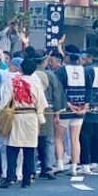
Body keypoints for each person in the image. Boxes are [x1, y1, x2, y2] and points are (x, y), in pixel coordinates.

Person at [0, 58, 47, 188]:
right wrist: (41, 118)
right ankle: (26, 180)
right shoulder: (36, 83)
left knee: (12, 148)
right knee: (29, 149)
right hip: (31, 116)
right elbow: (41, 103)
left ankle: (10, 177)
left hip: (15, 115)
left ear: (20, 68)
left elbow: (4, 101)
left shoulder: (12, 81)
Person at [56, 45, 89, 176]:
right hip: (80, 108)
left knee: (59, 137)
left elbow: (59, 91)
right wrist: (86, 105)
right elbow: (89, 89)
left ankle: (59, 163)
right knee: (75, 138)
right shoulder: (84, 71)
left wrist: (68, 104)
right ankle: (74, 168)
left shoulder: (62, 71)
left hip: (65, 108)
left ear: (67, 57)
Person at [32, 49, 64, 178]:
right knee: (48, 140)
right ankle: (48, 167)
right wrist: (57, 114)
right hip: (49, 110)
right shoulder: (51, 76)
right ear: (45, 61)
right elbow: (57, 95)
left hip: (32, 110)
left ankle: (32, 169)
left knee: (32, 140)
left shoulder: (30, 74)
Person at [80, 47, 98, 174]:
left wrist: (86, 103)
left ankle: (85, 163)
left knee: (85, 135)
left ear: (90, 57)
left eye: (86, 57)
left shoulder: (87, 70)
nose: (84, 59)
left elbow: (87, 88)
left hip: (89, 105)